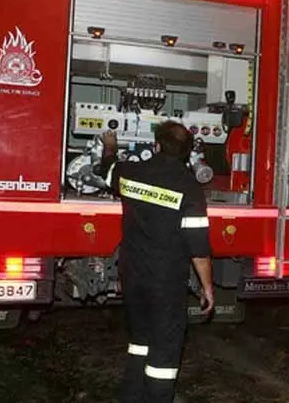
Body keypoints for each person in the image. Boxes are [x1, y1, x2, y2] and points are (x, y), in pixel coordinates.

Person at [96, 121, 215, 403]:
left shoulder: (131, 172)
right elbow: (198, 248)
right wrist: (207, 287)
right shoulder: (189, 188)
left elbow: (109, 169)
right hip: (166, 282)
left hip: (132, 277)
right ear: (187, 152)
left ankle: (132, 396)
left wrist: (110, 145)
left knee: (139, 341)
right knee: (164, 352)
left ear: (157, 145)